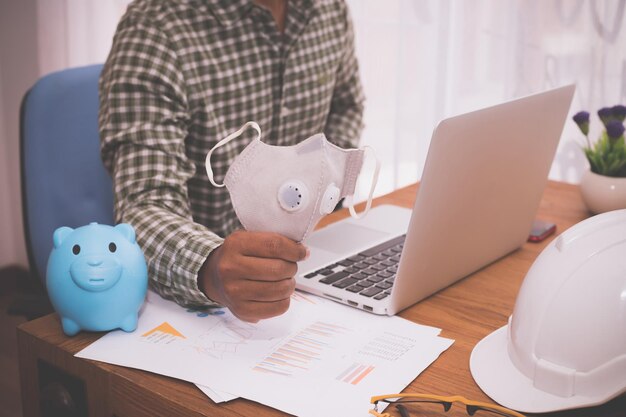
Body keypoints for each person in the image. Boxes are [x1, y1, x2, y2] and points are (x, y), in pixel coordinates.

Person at [99, 0, 365, 322]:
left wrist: (327, 202)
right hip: (205, 305)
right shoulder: (155, 29)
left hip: (309, 272)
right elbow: (144, 206)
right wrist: (209, 266)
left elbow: (346, 106)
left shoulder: (329, 8)